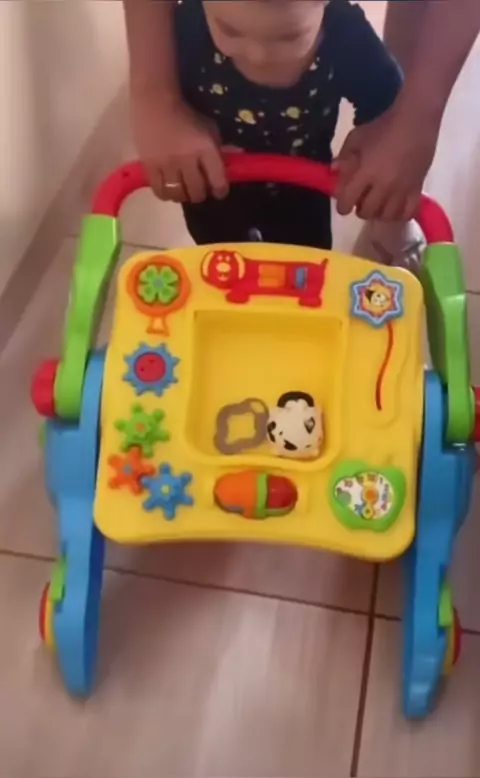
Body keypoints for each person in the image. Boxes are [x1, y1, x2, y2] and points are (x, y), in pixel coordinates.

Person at [123, 0, 480, 254]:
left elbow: (386, 102)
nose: (258, 55)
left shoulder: (345, 35)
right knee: (218, 256)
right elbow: (164, 100)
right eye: (231, 31)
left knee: (307, 264)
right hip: (215, 191)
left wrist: (369, 161)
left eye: (288, 37)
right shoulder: (185, 29)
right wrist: (158, 105)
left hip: (303, 193)